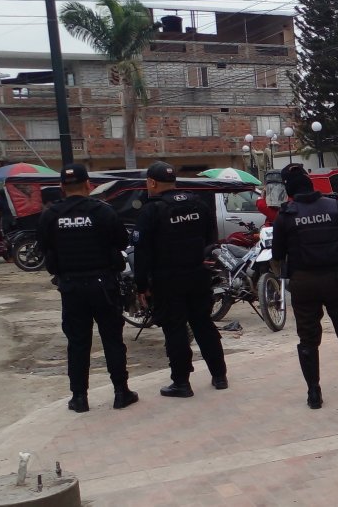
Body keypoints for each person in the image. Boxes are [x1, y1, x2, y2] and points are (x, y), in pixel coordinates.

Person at [37, 164, 138, 413]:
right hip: (104, 285)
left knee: (78, 342)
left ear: (62, 187)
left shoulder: (50, 216)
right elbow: (122, 242)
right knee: (112, 340)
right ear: (88, 185)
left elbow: (45, 249)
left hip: (71, 287)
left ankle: (79, 398)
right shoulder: (103, 212)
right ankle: (120, 392)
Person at [271, 164, 338, 409]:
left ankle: (313, 394)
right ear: (310, 182)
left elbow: (277, 254)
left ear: (288, 189)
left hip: (303, 282)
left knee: (307, 339)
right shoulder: (333, 206)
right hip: (336, 279)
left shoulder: (285, 215)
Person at [134, 161, 228, 398]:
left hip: (168, 279)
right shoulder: (197, 203)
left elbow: (142, 252)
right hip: (197, 274)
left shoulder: (151, 210)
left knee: (175, 330)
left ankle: (181, 382)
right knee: (203, 324)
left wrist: (141, 286)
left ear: (152, 183)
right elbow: (210, 238)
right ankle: (219, 375)